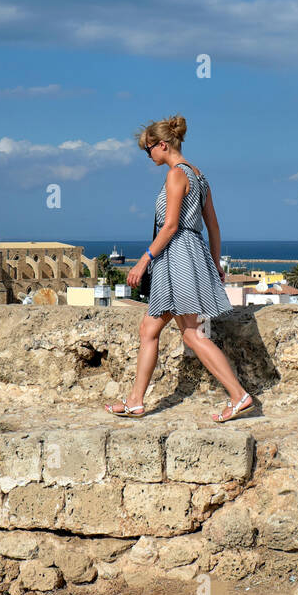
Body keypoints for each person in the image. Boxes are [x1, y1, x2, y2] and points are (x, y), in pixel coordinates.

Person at [106, 115, 255, 422]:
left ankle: (239, 396)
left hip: (177, 258)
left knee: (192, 334)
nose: (148, 156)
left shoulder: (176, 175)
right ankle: (135, 400)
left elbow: (171, 225)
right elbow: (213, 226)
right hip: (189, 255)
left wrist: (143, 260)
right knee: (149, 329)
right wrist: (213, 262)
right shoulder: (200, 177)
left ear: (162, 145)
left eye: (148, 150)